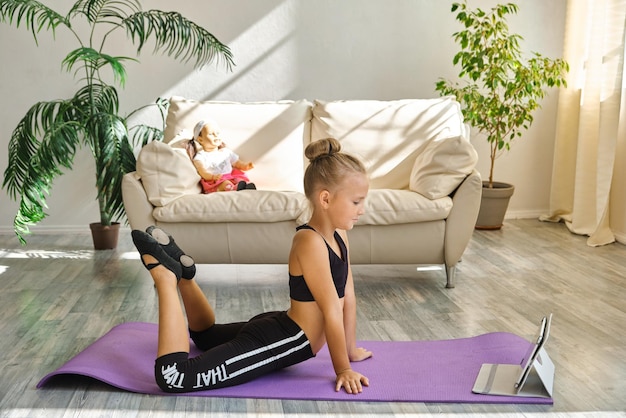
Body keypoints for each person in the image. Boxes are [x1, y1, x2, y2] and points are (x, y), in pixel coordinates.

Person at [131, 137, 372, 394]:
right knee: (174, 377)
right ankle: (166, 277)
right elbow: (332, 311)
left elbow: (349, 298)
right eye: (356, 202)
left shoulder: (338, 234)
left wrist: (350, 349)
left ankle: (185, 276)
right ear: (325, 199)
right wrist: (343, 369)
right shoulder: (310, 242)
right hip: (288, 339)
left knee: (206, 337)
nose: (362, 209)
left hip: (280, 325)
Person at [191, 119, 256, 192]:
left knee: (239, 180)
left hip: (230, 177)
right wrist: (212, 177)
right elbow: (202, 171)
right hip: (215, 181)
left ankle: (244, 187)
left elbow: (236, 163)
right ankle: (232, 189)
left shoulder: (226, 152)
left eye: (217, 133)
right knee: (226, 184)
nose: (216, 135)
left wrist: (246, 166)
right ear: (200, 140)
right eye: (211, 134)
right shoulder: (201, 156)